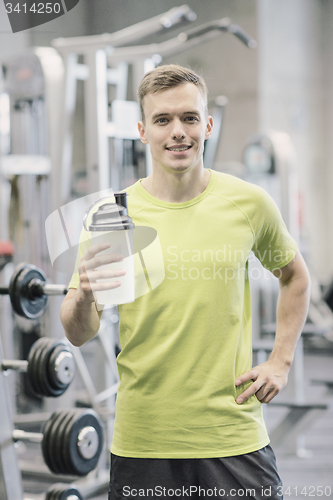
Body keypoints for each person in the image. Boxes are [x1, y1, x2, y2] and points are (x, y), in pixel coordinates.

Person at [60, 64, 311, 500]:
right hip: (145, 442)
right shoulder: (112, 216)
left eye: (189, 118)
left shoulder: (247, 203)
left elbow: (295, 277)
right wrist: (84, 292)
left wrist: (280, 362)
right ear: (143, 130)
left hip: (233, 436)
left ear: (207, 125)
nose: (178, 131)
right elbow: (77, 333)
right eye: (163, 120)